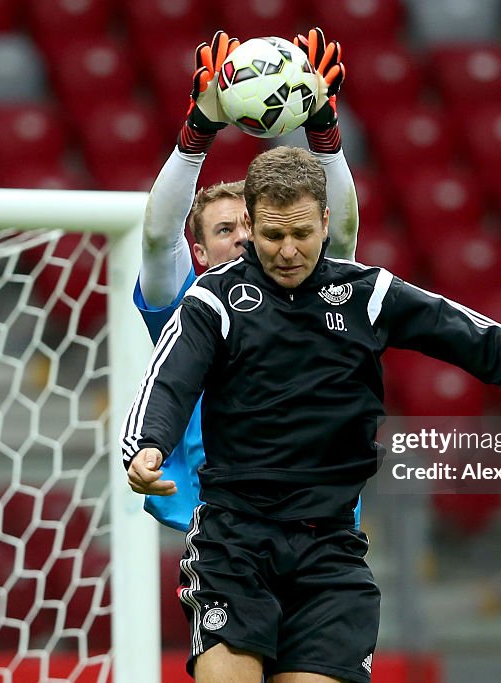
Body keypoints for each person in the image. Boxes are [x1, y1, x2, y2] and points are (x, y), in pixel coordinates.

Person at [121, 146, 501, 682]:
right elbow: (170, 381)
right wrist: (149, 445)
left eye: (301, 234)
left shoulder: (366, 295)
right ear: (250, 227)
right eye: (273, 237)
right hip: (234, 540)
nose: (287, 252)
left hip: (329, 549)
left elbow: (480, 342)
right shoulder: (215, 299)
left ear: (325, 222)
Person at [133, 27, 357, 532]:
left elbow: (341, 236)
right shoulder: (186, 306)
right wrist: (198, 132)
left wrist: (323, 131)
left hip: (321, 523)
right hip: (223, 525)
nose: (241, 238)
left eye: (249, 228)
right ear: (197, 252)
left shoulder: (315, 293)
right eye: (224, 229)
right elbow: (156, 236)